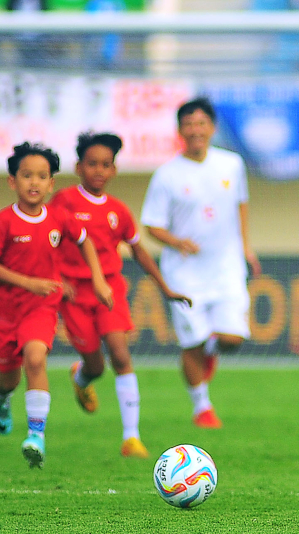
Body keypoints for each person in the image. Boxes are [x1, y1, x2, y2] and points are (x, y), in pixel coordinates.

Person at [48, 132, 191, 459]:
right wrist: (56, 279)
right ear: (78, 167)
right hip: (74, 294)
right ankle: (82, 376)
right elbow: (49, 240)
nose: (99, 170)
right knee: (96, 365)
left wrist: (165, 287)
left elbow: (139, 251)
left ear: (114, 170)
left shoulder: (118, 211)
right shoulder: (65, 201)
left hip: (109, 291)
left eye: (106, 164)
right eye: (92, 163)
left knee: (121, 355)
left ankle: (131, 437)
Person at [0, 142, 113, 469]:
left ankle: (36, 436)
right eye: (27, 175)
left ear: (52, 183)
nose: (34, 182)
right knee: (8, 378)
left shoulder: (59, 218)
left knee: (35, 359)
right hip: (3, 311)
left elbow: (85, 241)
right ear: (13, 181)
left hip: (40, 309)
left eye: (42, 176)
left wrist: (97, 279)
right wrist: (29, 283)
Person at [140, 97, 262, 429]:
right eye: (188, 124)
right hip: (184, 272)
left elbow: (241, 205)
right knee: (190, 342)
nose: (195, 130)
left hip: (225, 267)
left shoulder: (232, 165)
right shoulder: (167, 175)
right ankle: (202, 407)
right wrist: (177, 241)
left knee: (233, 339)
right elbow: (151, 225)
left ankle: (212, 347)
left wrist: (246, 248)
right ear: (180, 130)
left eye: (201, 123)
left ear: (212, 127)